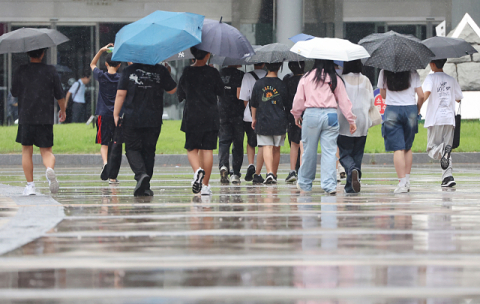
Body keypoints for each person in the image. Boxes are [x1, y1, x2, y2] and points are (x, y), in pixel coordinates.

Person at [292, 59, 356, 195]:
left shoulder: (307, 77)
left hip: (311, 115)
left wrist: (296, 114)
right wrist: (351, 120)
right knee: (330, 151)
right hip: (331, 115)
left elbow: (298, 99)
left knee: (309, 150)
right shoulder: (335, 78)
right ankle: (329, 185)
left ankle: (305, 183)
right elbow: (344, 101)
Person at [114, 60, 177, 196]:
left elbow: (120, 94)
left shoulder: (128, 71)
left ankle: (141, 175)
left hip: (132, 117)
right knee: (149, 151)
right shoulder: (160, 70)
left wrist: (116, 114)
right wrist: (167, 74)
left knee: (132, 148)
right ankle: (145, 186)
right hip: (153, 118)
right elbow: (172, 90)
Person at [11, 48, 66, 195]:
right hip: (45, 117)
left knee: (26, 151)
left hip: (26, 116)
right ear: (43, 54)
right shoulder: (50, 70)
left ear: (28, 53)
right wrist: (63, 110)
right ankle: (49, 169)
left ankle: (30, 186)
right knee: (47, 151)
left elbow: (14, 92)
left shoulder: (21, 70)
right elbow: (60, 94)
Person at [177, 47, 225, 195]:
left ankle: (197, 171)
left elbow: (181, 94)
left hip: (192, 115)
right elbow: (221, 92)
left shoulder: (187, 72)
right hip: (210, 115)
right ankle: (205, 186)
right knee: (207, 150)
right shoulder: (213, 72)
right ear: (208, 54)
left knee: (192, 149)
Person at [418, 59, 463, 188]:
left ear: (432, 64)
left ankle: (443, 150)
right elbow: (459, 98)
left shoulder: (431, 78)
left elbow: (425, 94)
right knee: (447, 150)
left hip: (435, 119)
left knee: (432, 148)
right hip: (449, 119)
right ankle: (447, 177)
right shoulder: (451, 79)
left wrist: (418, 108)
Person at [378, 69, 424, 193]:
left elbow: (383, 94)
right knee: (408, 147)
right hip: (410, 110)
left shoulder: (384, 72)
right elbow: (421, 95)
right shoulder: (413, 72)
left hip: (392, 109)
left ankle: (402, 183)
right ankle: (407, 181)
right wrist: (417, 109)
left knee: (398, 147)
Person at [337, 60, 375, 194]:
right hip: (362, 120)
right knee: (357, 154)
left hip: (344, 120)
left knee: (344, 154)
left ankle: (353, 170)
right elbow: (371, 101)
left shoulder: (341, 80)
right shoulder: (366, 80)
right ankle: (351, 185)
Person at [250, 62, 289, 184]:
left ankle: (269, 172)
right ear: (280, 67)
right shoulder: (282, 84)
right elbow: (287, 104)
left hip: (263, 120)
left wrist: (254, 118)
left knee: (266, 146)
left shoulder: (259, 83)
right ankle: (274, 174)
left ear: (266, 65)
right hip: (279, 120)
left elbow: (254, 103)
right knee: (276, 148)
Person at [90, 43, 123, 183]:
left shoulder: (101, 76)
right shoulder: (122, 78)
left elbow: (92, 64)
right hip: (118, 116)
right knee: (116, 144)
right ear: (119, 65)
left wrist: (101, 50)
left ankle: (105, 163)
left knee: (104, 143)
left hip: (103, 114)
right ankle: (113, 177)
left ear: (105, 63)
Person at [239, 62, 267, 183]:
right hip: (266, 115)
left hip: (249, 115)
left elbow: (244, 98)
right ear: (264, 63)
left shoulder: (247, 76)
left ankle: (251, 164)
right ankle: (258, 171)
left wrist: (251, 110)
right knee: (262, 143)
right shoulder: (269, 75)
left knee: (251, 142)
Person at [218, 64, 245, 184]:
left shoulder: (220, 73)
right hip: (237, 113)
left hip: (222, 111)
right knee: (237, 143)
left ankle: (223, 165)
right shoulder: (240, 75)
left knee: (224, 141)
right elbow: (239, 95)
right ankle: (235, 173)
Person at [283, 61, 305, 183]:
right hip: (306, 114)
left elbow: (285, 98)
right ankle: (302, 170)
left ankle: (293, 170)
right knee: (303, 143)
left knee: (293, 143)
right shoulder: (306, 80)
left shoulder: (287, 80)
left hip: (291, 115)